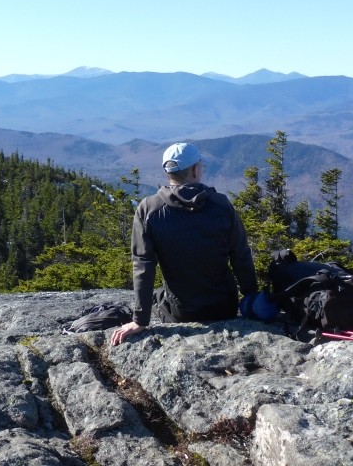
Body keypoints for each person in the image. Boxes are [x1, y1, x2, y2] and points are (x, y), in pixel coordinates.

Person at [110, 142, 259, 345]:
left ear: (167, 173)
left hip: (179, 313)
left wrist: (139, 320)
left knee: (158, 296)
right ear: (196, 169)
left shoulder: (149, 209)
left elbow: (143, 265)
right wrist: (252, 299)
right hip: (224, 308)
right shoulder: (222, 205)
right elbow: (240, 256)